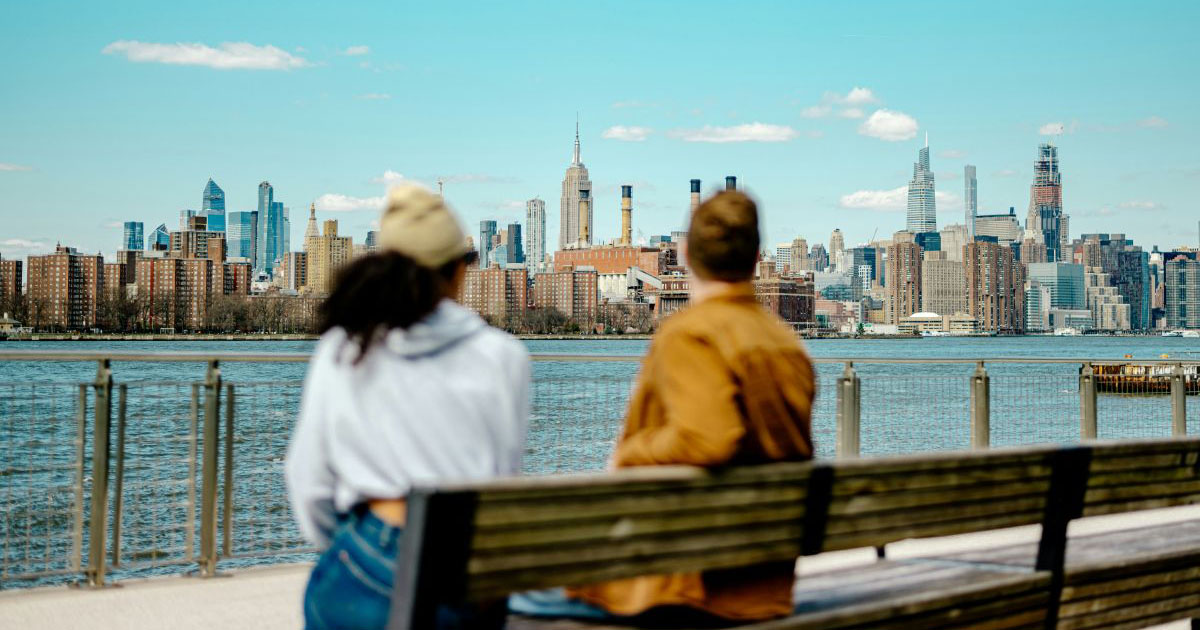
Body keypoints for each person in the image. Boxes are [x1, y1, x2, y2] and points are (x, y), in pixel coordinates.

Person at [511, 190, 816, 625]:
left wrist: (629, 453)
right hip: (766, 586)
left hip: (690, 590)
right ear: (755, 258)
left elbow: (708, 438)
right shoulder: (787, 344)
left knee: (522, 606)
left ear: (686, 253)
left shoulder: (692, 334)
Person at [286, 185, 530, 630]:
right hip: (460, 567)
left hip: (368, 555)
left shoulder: (345, 346)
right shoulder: (502, 356)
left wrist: (344, 544)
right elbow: (501, 479)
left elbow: (309, 482)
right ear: (458, 269)